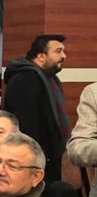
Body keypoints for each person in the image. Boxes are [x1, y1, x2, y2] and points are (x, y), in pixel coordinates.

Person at [4, 34, 68, 182]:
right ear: (41, 56)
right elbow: (26, 128)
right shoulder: (24, 80)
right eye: (58, 51)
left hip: (50, 157)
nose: (64, 56)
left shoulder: (49, 79)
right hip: (35, 162)